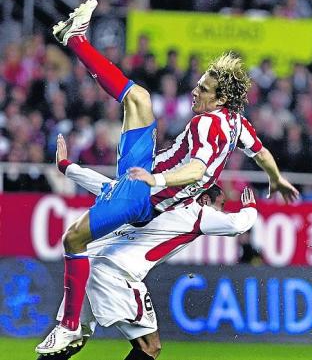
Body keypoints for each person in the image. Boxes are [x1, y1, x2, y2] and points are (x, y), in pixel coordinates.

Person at [36, 0, 299, 355]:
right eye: (200, 84)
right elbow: (262, 152)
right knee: (139, 98)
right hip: (140, 175)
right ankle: (76, 38)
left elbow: (198, 169)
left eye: (204, 89)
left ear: (221, 99)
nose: (196, 90)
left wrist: (156, 181)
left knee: (73, 239)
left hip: (142, 195)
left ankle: (68, 327)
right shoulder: (237, 124)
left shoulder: (207, 124)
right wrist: (277, 178)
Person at [37, 135, 258, 360]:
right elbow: (238, 225)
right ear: (203, 199)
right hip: (115, 272)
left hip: (86, 265)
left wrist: (67, 167)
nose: (220, 211)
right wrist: (250, 207)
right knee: (149, 347)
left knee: (73, 338)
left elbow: (106, 186)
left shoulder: (149, 197)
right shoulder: (198, 212)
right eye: (220, 205)